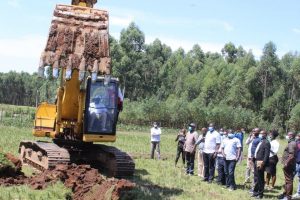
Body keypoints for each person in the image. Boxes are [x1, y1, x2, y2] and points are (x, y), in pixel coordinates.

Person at [278, 132, 297, 200]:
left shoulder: (292, 143)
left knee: (289, 181)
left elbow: (291, 155)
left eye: (288, 135)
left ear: (291, 136)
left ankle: (288, 197)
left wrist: (286, 163)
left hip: (289, 165)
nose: (287, 136)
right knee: (287, 180)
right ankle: (285, 194)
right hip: (289, 164)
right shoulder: (292, 142)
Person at [252, 130, 270, 199]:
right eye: (260, 133)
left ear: (265, 134)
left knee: (260, 178)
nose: (260, 134)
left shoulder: (266, 142)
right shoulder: (261, 141)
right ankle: (255, 192)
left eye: (261, 133)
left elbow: (266, 154)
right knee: (256, 177)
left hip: (261, 162)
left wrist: (263, 163)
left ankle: (260, 194)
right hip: (256, 160)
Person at [292, 133, 300, 199]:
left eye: (298, 136)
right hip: (296, 162)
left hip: (299, 162)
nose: (297, 137)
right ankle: (288, 191)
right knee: (292, 175)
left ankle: (298, 193)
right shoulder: (297, 142)